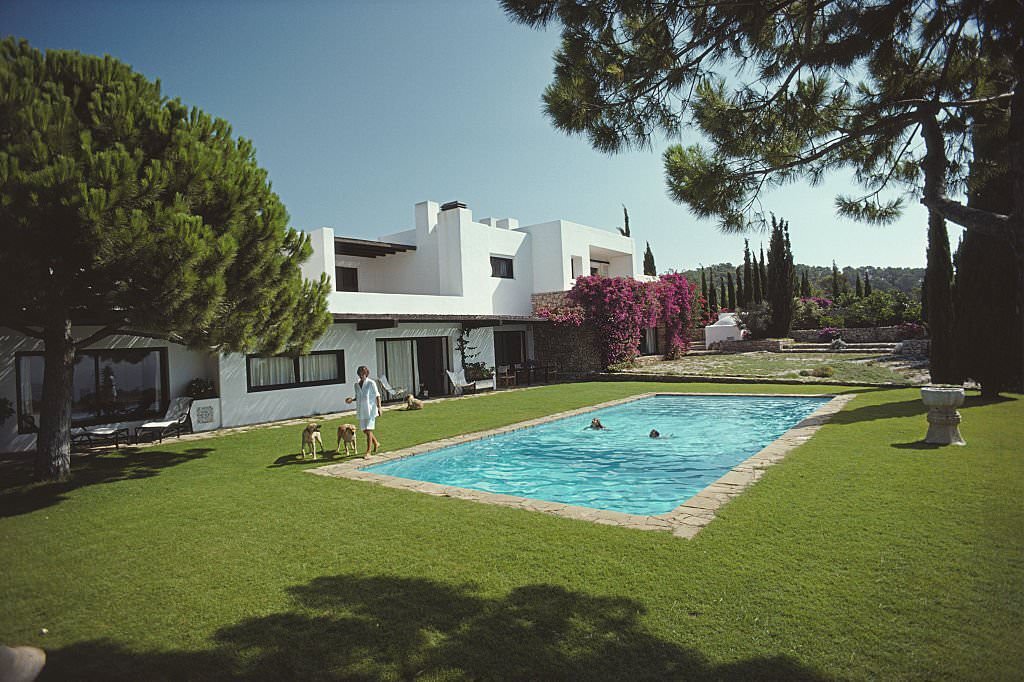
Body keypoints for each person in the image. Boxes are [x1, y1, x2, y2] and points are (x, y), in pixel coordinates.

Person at [345, 366, 381, 456]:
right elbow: (358, 397)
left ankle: (368, 452)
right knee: (365, 430)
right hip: (361, 410)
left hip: (370, 410)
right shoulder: (356, 385)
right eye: (360, 373)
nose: (362, 375)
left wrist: (379, 408)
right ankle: (376, 443)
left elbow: (377, 395)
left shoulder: (371, 383)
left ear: (366, 373)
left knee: (368, 430)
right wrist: (351, 399)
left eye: (363, 373)